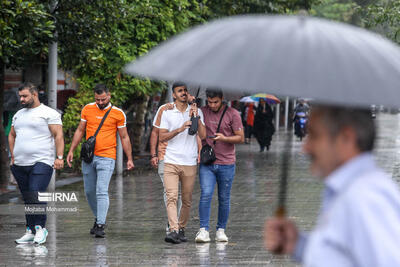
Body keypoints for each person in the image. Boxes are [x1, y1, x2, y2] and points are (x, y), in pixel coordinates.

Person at [264, 105, 400, 266]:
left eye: (314, 136)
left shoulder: (366, 198)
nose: (305, 148)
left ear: (346, 138)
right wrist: (298, 245)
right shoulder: (348, 192)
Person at [66, 84, 134, 238]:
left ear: (109, 95)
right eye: (97, 99)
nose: (101, 102)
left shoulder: (118, 113)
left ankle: (100, 225)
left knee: (101, 190)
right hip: (89, 157)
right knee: (89, 192)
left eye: (103, 99)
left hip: (107, 156)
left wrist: (129, 158)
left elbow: (124, 137)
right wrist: (71, 150)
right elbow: (80, 130)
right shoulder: (87, 109)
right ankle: (98, 218)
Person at [9, 82, 64, 245]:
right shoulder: (18, 114)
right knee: (28, 197)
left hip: (42, 161)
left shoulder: (49, 113)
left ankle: (41, 228)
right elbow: (12, 135)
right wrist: (12, 156)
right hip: (19, 164)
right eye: (20, 96)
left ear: (34, 95)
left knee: (35, 193)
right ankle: (30, 230)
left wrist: (59, 157)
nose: (22, 99)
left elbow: (58, 136)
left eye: (25, 96)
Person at [159, 82, 206, 244]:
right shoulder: (167, 113)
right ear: (174, 94)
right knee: (171, 196)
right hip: (171, 161)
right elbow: (162, 137)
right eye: (180, 91)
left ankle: (181, 228)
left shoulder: (197, 111)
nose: (184, 93)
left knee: (186, 199)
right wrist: (179, 129)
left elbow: (203, 135)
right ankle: (173, 230)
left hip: (189, 162)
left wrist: (196, 118)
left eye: (186, 90)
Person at [195, 88, 244, 243]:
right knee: (206, 194)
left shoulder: (233, 114)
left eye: (215, 102)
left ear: (222, 99)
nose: (212, 105)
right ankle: (203, 230)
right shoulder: (201, 111)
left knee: (224, 198)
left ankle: (221, 230)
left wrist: (224, 138)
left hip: (227, 163)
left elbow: (240, 138)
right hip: (207, 163)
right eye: (209, 102)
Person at [149, 100, 182, 235]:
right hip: (165, 155)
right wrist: (153, 155)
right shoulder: (164, 109)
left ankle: (174, 221)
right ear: (174, 94)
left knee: (179, 193)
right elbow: (155, 132)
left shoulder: (192, 110)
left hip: (184, 157)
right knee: (170, 191)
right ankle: (172, 222)